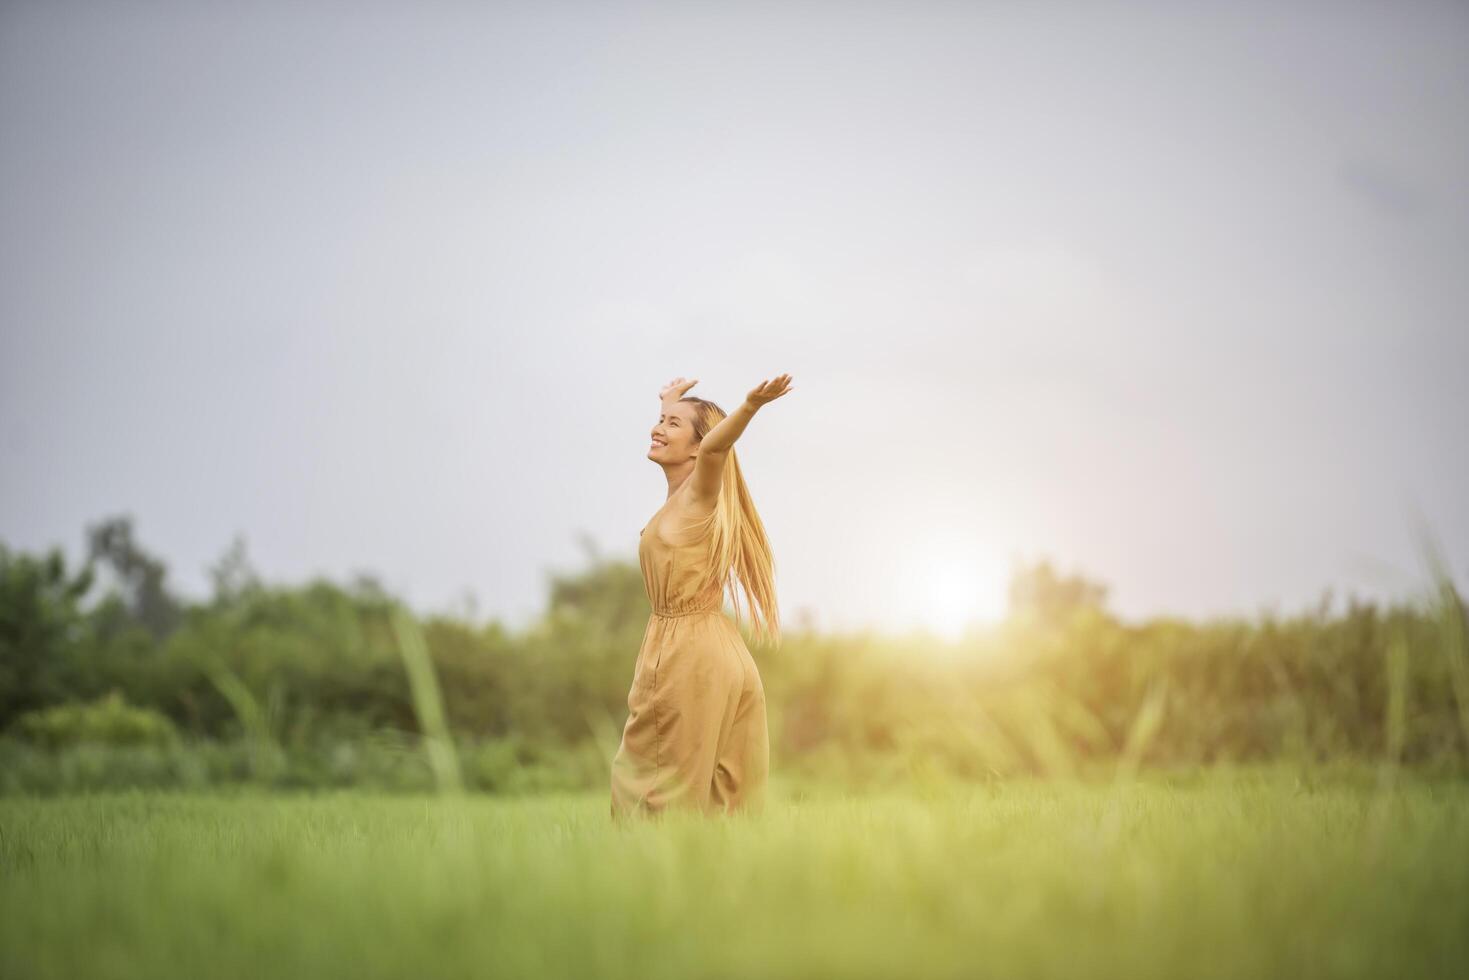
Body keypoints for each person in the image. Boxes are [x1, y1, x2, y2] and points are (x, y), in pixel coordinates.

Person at [610, 373, 794, 820]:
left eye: (673, 425)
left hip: (688, 651)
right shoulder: (682, 501)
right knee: (719, 795)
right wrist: (671, 402)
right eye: (660, 421)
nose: (658, 429)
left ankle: (647, 884)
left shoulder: (701, 493)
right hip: (718, 649)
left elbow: (715, 448)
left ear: (696, 446)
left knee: (654, 784)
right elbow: (702, 441)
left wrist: (750, 406)